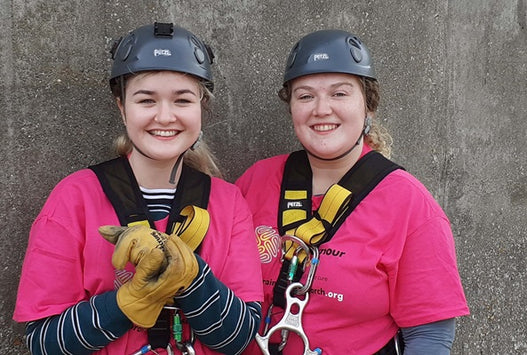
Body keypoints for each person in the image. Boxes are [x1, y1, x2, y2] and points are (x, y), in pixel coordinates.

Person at [14, 22, 263, 354]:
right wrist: (127, 302)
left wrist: (192, 277)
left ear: (201, 106)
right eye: (146, 100)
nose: (164, 116)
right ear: (121, 106)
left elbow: (239, 338)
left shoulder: (227, 202)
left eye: (182, 100)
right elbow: (44, 343)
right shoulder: (75, 198)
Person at [236, 29, 469, 355]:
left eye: (340, 94)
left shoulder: (408, 204)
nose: (321, 109)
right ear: (291, 108)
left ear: (368, 107)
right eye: (305, 96)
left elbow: (430, 337)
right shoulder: (254, 182)